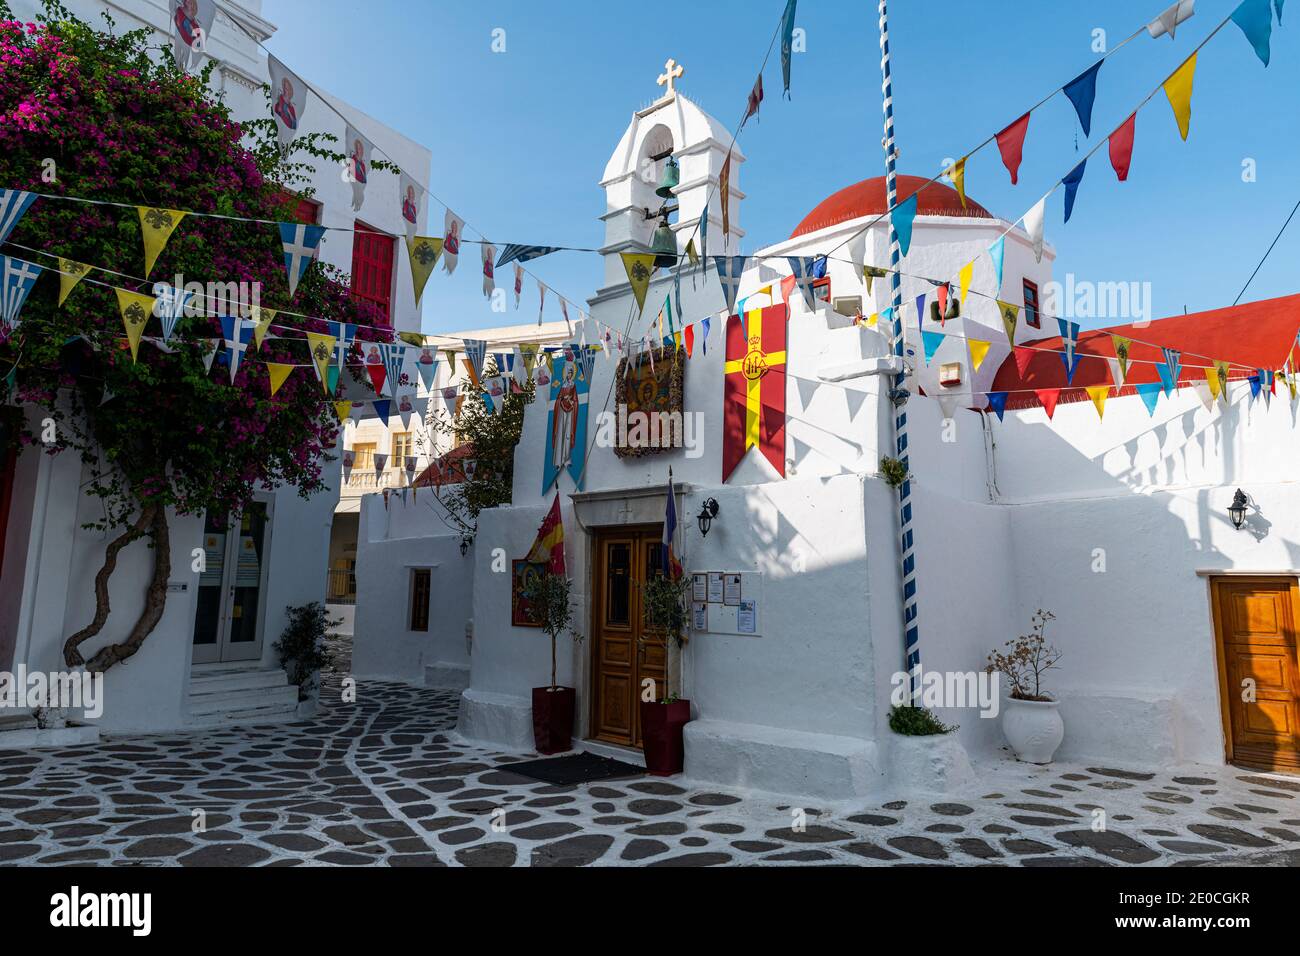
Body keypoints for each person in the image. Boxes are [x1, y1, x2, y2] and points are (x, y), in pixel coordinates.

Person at [550, 362, 578, 473]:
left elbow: (575, 399)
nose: (569, 375)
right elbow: (558, 399)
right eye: (568, 373)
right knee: (560, 434)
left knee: (567, 434)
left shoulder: (573, 385)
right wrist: (562, 398)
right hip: (561, 411)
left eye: (571, 373)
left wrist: (571, 401)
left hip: (570, 410)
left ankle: (566, 459)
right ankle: (557, 461)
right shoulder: (563, 386)